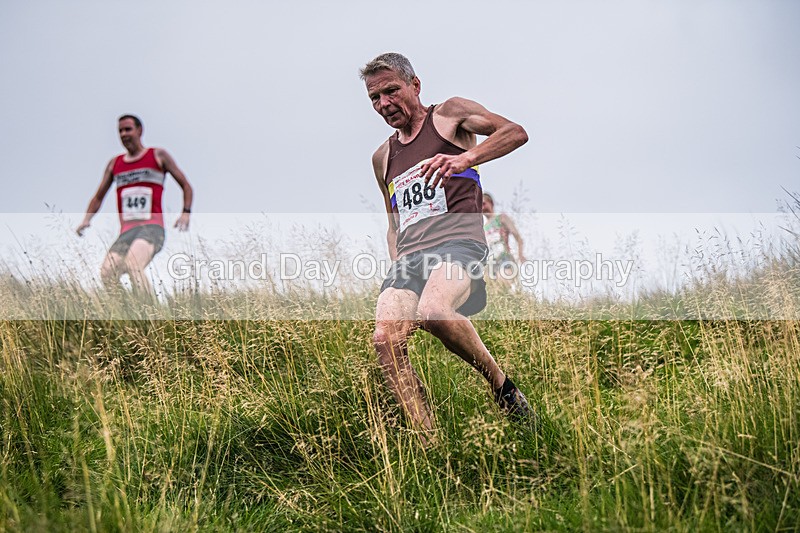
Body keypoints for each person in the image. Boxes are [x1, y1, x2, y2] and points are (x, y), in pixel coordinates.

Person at [360, 52, 532, 442]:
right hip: (410, 258)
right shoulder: (382, 157)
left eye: (391, 91)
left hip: (459, 245)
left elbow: (515, 132)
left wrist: (465, 158)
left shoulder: (450, 116)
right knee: (385, 339)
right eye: (375, 98)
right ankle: (429, 442)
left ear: (415, 86)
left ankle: (503, 389)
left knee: (435, 310)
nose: (384, 104)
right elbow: (393, 225)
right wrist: (398, 266)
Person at [76, 114, 193, 294]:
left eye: (128, 129)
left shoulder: (157, 155)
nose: (124, 134)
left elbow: (186, 186)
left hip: (152, 228)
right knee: (107, 273)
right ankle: (125, 314)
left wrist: (185, 212)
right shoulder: (115, 164)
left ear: (140, 130)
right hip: (127, 231)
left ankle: (152, 316)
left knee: (133, 265)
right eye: (120, 131)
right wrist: (86, 220)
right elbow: (98, 197)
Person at [482, 192, 526, 283]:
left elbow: (518, 237)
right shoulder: (483, 227)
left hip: (504, 258)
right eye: (480, 205)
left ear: (491, 203)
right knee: (489, 291)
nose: (482, 208)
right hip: (490, 262)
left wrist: (520, 255)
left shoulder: (502, 218)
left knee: (503, 286)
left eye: (484, 204)